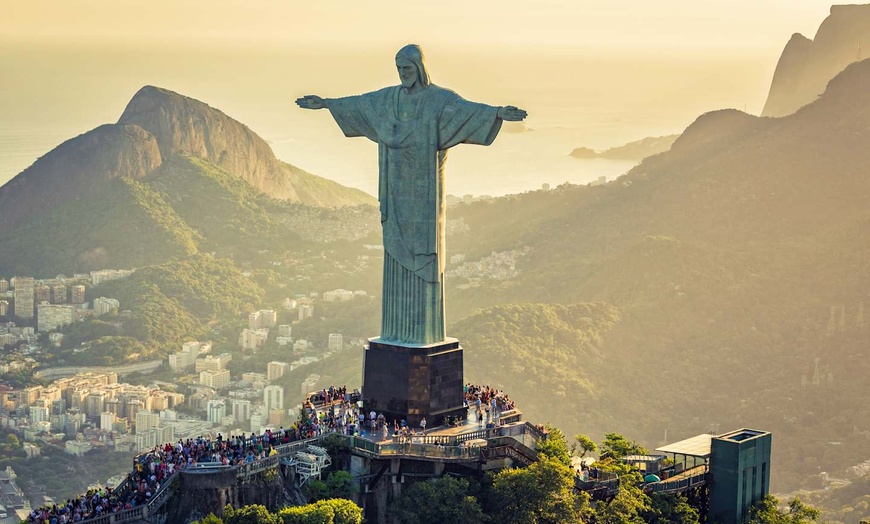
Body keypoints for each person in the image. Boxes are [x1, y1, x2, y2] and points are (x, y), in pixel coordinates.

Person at [296, 44, 526, 345]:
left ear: (419, 68)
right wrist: (326, 104)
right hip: (395, 194)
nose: (402, 73)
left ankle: (422, 333)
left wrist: (497, 113)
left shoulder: (439, 101)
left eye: (407, 68)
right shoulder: (387, 100)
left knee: (424, 255)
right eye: (399, 69)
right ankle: (396, 333)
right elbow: (360, 104)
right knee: (394, 252)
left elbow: (467, 111)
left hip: (424, 201)